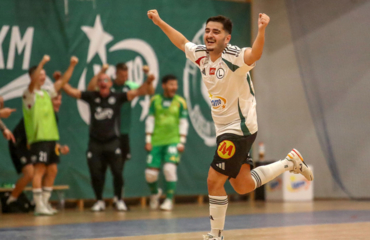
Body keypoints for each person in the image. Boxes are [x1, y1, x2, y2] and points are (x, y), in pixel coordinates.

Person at [147, 10, 314, 240]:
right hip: (224, 129)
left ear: (227, 38)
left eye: (216, 32)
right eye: (207, 31)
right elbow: (182, 42)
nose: (209, 35)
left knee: (213, 180)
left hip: (239, 128)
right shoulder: (201, 55)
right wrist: (159, 22)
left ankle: (216, 235)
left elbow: (255, 53)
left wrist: (262, 28)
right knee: (242, 185)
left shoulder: (233, 56)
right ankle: (289, 162)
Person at [63, 68, 155, 212]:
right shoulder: (92, 96)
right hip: (95, 143)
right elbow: (72, 92)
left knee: (118, 172)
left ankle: (118, 199)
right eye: (100, 80)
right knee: (96, 173)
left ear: (110, 83)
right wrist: (61, 81)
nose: (103, 83)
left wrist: (148, 81)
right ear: (97, 84)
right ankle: (99, 201)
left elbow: (139, 92)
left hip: (113, 142)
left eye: (105, 80)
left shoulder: (117, 97)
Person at [6, 72, 70, 213]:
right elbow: (35, 140)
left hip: (34, 143)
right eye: (56, 100)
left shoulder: (53, 117)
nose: (59, 102)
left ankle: (42, 203)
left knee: (52, 169)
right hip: (20, 143)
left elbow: (48, 142)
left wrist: (59, 148)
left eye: (60, 100)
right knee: (32, 173)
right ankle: (12, 199)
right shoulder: (36, 109)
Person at [23, 55, 78, 215]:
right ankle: (38, 205)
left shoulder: (47, 93)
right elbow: (33, 83)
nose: (43, 76)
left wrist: (72, 65)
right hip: (38, 139)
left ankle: (45, 203)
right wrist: (42, 62)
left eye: (44, 73)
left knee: (52, 170)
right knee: (39, 170)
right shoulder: (29, 94)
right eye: (40, 73)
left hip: (51, 138)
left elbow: (62, 82)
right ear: (33, 76)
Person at [144, 74, 188, 211]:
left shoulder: (180, 102)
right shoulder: (155, 100)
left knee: (169, 169)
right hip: (156, 141)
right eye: (171, 84)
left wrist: (181, 141)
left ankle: (169, 200)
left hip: (173, 141)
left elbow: (183, 122)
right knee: (150, 175)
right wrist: (148, 139)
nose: (174, 87)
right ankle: (154, 193)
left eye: (175, 84)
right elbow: (150, 120)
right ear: (163, 86)